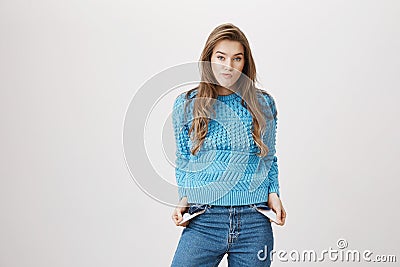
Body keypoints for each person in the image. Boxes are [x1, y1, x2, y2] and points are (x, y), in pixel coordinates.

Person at [170, 23, 286, 267]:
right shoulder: (187, 104)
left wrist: (274, 192)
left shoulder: (263, 103)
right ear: (209, 59)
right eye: (221, 57)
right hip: (204, 218)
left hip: (254, 219)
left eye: (237, 58)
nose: (229, 66)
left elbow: (268, 156)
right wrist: (184, 198)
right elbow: (184, 158)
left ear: (245, 63)